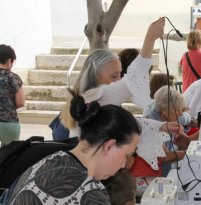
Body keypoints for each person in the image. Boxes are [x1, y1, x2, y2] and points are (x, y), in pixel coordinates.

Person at [0, 95, 164, 205]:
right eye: (127, 155)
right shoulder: (85, 189)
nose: (125, 165)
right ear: (109, 146)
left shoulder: (49, 162)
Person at [60, 18, 180, 171]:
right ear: (96, 76)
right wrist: (150, 37)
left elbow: (120, 125)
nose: (118, 81)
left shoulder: (87, 97)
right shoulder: (100, 94)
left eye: (119, 76)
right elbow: (135, 75)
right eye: (113, 76)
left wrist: (161, 126)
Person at [145, 86, 187, 176]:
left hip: (164, 173)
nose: (180, 113)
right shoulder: (151, 125)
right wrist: (190, 154)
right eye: (177, 110)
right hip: (151, 179)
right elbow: (164, 156)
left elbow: (185, 141)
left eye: (181, 109)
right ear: (164, 109)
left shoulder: (167, 120)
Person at [0, 44, 25, 145]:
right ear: (9, 61)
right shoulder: (13, 78)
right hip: (8, 122)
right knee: (9, 156)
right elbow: (21, 102)